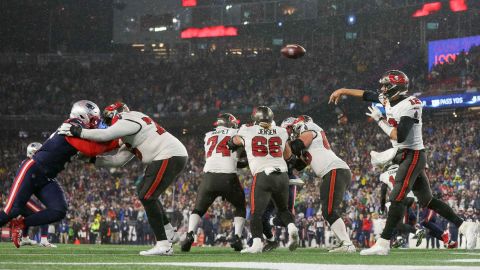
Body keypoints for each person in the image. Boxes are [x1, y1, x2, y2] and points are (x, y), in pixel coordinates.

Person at [329, 70, 478, 255]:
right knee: (427, 200)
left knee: (397, 197)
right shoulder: (387, 99)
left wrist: (380, 120)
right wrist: (343, 90)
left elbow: (399, 136)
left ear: (396, 88)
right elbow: (366, 94)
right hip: (406, 154)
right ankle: (465, 226)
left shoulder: (411, 104)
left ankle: (383, 243)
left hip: (412, 154)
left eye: (386, 85)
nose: (382, 89)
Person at [58, 102, 188, 256]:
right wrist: (91, 160)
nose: (106, 124)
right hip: (170, 155)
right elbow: (117, 161)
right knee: (144, 192)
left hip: (169, 154)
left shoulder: (127, 120)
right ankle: (169, 233)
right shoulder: (132, 127)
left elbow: (105, 135)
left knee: (147, 195)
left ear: (114, 115)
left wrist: (78, 131)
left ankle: (163, 245)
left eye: (107, 120)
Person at [0, 100, 118, 248]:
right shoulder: (73, 125)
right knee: (11, 211)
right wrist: (117, 140)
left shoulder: (80, 129)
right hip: (33, 168)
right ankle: (16, 219)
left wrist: (115, 138)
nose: (95, 122)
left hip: (47, 177)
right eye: (93, 118)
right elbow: (92, 150)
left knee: (58, 210)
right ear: (82, 115)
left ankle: (21, 223)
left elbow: (96, 144)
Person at [228, 106, 299, 253]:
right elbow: (288, 156)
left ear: (256, 118)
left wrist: (235, 143)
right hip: (282, 174)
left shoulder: (247, 129)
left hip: (263, 174)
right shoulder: (281, 131)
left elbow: (234, 141)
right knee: (283, 209)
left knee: (256, 212)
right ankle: (292, 228)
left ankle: (257, 244)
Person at [289, 115, 355, 253]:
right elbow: (298, 165)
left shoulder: (310, 128)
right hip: (333, 172)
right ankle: (344, 242)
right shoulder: (311, 144)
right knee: (328, 211)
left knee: (329, 211)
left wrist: (283, 144)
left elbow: (297, 145)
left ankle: (347, 244)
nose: (294, 133)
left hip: (335, 170)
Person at [181, 113, 246, 252]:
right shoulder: (236, 132)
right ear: (230, 123)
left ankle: (190, 234)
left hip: (209, 176)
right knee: (240, 206)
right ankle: (237, 237)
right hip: (228, 177)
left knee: (198, 209)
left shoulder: (208, 135)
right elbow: (238, 152)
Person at [17, 142, 58, 248]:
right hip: (22, 197)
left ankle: (25, 238)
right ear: (32, 153)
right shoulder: (30, 164)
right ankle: (44, 240)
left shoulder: (26, 163)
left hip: (22, 197)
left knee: (29, 216)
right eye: (38, 153)